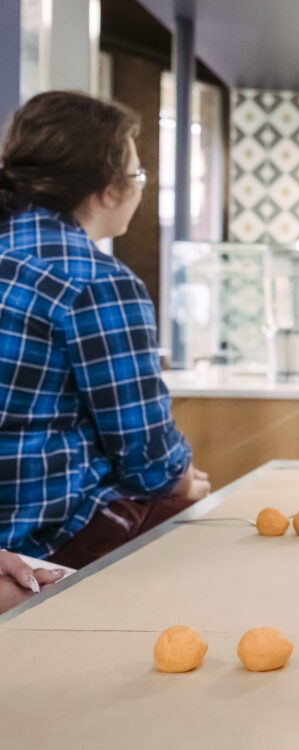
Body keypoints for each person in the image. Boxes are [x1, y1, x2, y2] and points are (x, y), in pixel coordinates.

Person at [0, 91, 208, 606]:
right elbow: (147, 456)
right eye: (138, 178)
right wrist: (184, 482)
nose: (141, 191)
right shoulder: (94, 280)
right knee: (199, 522)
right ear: (107, 191)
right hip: (44, 537)